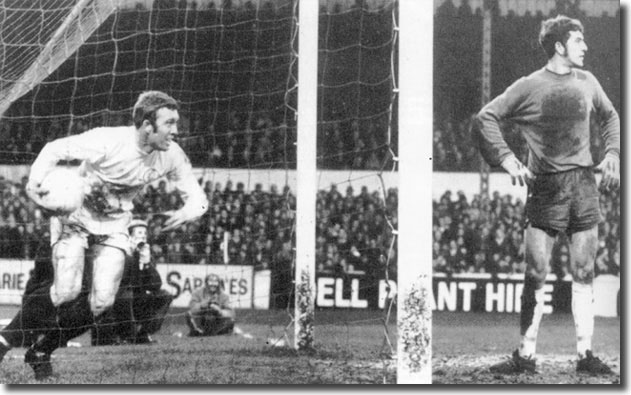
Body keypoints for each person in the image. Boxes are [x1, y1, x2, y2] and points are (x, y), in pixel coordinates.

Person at [0, 91, 208, 380]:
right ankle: (4, 342)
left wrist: (188, 212)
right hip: (76, 216)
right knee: (66, 291)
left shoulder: (171, 155)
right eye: (170, 123)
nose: (176, 130)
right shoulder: (108, 140)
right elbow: (53, 149)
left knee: (102, 302)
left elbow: (198, 198)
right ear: (147, 125)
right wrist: (34, 183)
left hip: (114, 225)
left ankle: (41, 351)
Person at [475, 16, 619, 375]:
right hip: (545, 187)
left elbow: (611, 116)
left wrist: (614, 153)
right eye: (578, 40)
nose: (585, 47)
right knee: (536, 272)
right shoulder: (529, 86)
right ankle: (525, 356)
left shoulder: (588, 81)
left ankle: (585, 356)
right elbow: (485, 119)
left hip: (584, 185)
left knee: (584, 271)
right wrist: (506, 159)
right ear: (559, 46)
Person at [92, 218, 174, 345]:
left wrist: (146, 264)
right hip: (117, 297)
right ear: (129, 236)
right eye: (139, 233)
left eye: (145, 234)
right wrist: (132, 256)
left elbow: (155, 285)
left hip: (136, 299)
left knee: (165, 295)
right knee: (126, 295)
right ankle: (123, 335)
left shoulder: (144, 253)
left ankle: (143, 334)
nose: (143, 237)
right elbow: (122, 282)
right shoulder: (119, 253)